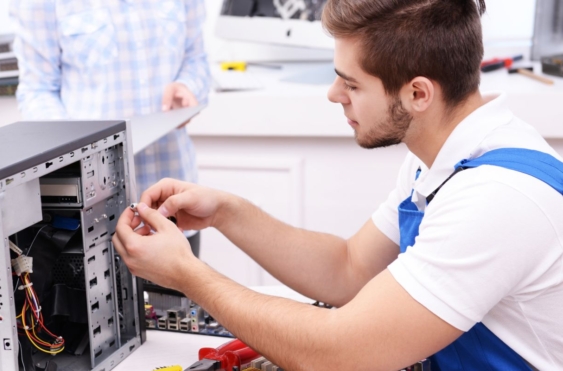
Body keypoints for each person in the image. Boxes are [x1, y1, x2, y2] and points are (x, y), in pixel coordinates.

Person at [112, 0, 563, 370]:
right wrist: (228, 213)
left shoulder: (496, 199)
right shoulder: (443, 157)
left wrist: (186, 274)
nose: (333, 94)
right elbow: (349, 269)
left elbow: (340, 353)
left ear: (418, 94)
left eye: (351, 83)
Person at [10, 0, 209, 256]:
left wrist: (188, 86)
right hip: (93, 216)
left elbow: (197, 60)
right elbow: (37, 90)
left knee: (180, 297)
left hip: (174, 205)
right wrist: (72, 147)